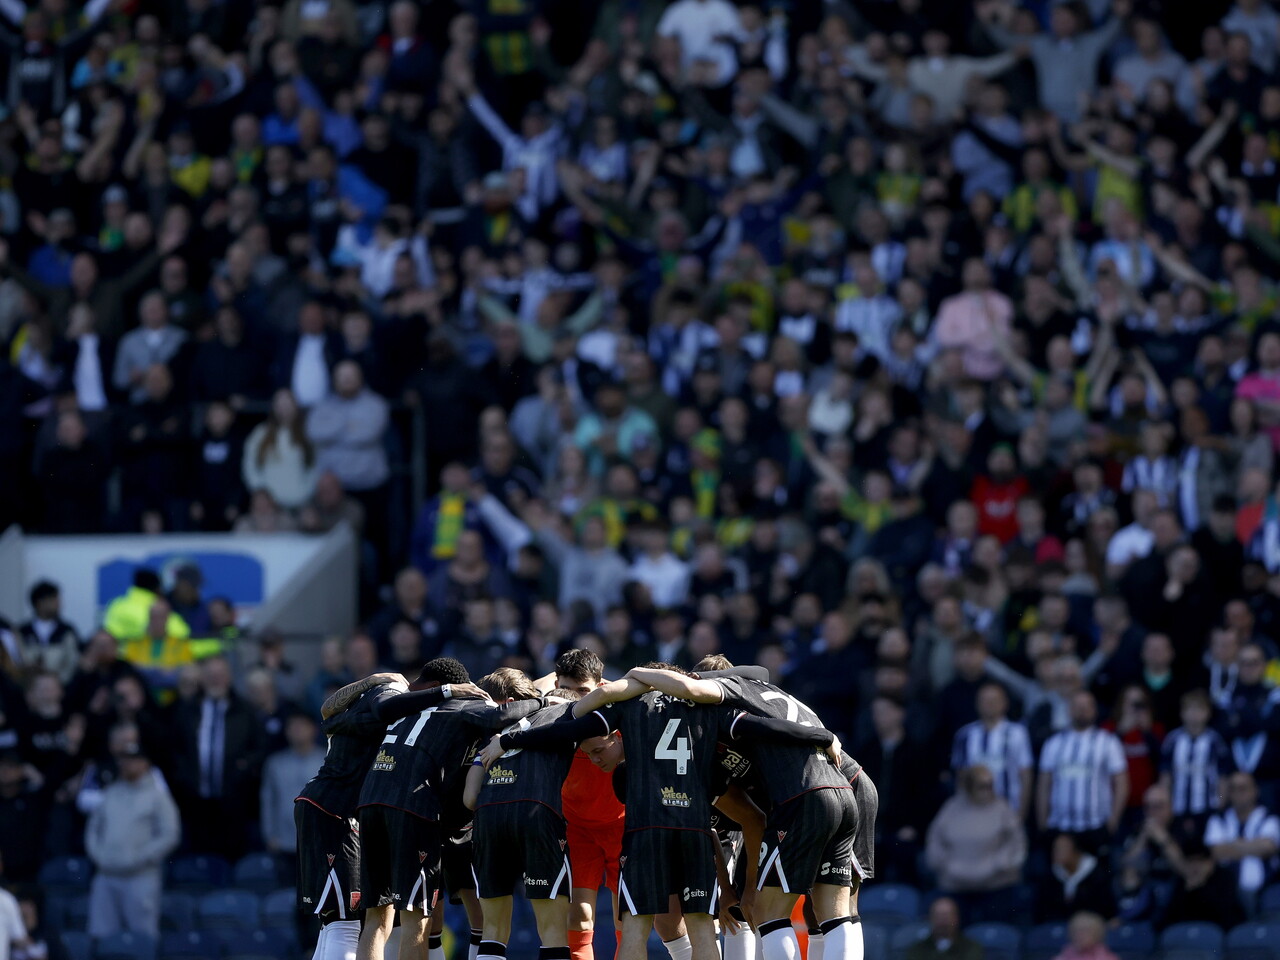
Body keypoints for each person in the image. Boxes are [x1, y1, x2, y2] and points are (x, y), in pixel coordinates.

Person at [355, 658, 543, 960]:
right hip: (413, 807)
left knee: (378, 917)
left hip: (370, 800)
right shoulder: (465, 707)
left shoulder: (409, 706)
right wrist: (539, 700)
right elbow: (504, 715)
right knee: (417, 918)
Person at [297, 667, 488, 960]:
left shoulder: (362, 707)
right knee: (346, 924)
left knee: (337, 921)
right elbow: (385, 706)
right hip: (338, 811)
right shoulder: (393, 695)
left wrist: (371, 679)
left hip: (325, 805)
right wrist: (448, 693)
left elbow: (327, 708)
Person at [465, 676, 579, 960]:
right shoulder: (570, 713)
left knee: (492, 930)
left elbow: (469, 799)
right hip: (536, 812)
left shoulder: (504, 727)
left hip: (488, 814)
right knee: (552, 930)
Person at [84, 741, 180, 939]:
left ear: (145, 763)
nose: (127, 764)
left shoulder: (158, 796)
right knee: (101, 937)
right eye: (125, 760)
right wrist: (99, 855)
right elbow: (93, 829)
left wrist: (140, 857)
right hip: (106, 874)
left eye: (133, 760)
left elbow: (170, 834)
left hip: (140, 876)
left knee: (142, 936)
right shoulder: (111, 793)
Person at [925, 766, 1027, 924]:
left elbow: (1017, 843)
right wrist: (944, 864)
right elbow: (935, 840)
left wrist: (1002, 863)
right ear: (968, 786)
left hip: (996, 885)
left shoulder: (1002, 809)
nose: (987, 790)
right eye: (982, 786)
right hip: (956, 884)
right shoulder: (951, 809)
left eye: (990, 785)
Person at [1037, 691, 1129, 852]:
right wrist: (1043, 821)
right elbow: (1044, 784)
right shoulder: (1053, 743)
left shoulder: (1108, 742)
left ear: (1095, 710)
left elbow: (1121, 783)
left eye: (1087, 706)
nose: (1082, 710)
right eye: (1078, 706)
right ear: (1069, 710)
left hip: (1096, 825)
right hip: (1060, 826)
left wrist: (1113, 821)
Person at [950, 682, 1034, 819]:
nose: (990, 704)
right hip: (973, 812)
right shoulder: (964, 735)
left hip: (1009, 809)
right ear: (977, 704)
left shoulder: (1018, 733)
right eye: (985, 700)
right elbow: (961, 777)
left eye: (994, 700)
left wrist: (1021, 815)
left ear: (1005, 703)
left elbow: (1025, 775)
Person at [1205, 771, 1280, 915]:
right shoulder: (1218, 819)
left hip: (1266, 889)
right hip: (1226, 894)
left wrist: (1231, 845)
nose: (1238, 794)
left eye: (1243, 788)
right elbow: (1216, 852)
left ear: (1255, 790)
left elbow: (1268, 847)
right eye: (1233, 789)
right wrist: (1253, 846)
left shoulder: (1269, 817)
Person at [260, 710, 326, 861]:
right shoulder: (275, 763)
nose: (297, 730)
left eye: (302, 726)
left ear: (313, 729)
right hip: (283, 841)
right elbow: (268, 801)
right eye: (292, 727)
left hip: (320, 841)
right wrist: (269, 835)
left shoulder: (327, 760)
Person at [16, 581, 79, 682]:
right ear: (40, 602)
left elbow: (72, 663)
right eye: (54, 599)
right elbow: (15, 661)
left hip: (61, 690)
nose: (59, 604)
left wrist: (55, 680)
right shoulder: (22, 631)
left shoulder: (67, 631)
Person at [904, 897, 983, 960]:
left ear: (956, 918)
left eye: (947, 916)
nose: (942, 921)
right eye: (938, 916)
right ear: (930, 919)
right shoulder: (917, 950)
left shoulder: (971, 948)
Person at [1052, 912, 1118, 960]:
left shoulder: (1107, 957)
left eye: (1085, 931)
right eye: (1076, 931)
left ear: (1097, 934)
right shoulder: (1062, 956)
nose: (1079, 935)